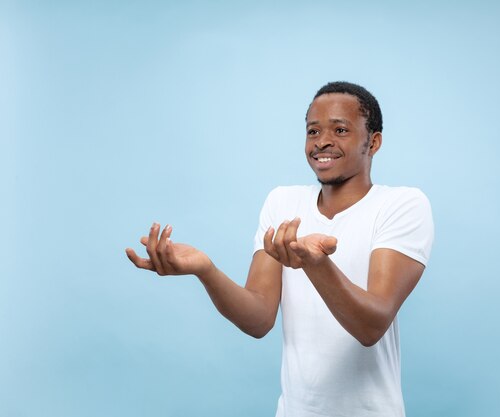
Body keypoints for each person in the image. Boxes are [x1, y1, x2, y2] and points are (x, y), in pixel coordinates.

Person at [126, 81, 434, 417]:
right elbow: (258, 318)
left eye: (340, 129)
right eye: (313, 131)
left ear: (372, 142)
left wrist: (314, 265)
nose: (323, 141)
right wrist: (206, 270)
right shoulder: (283, 202)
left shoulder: (401, 205)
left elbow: (371, 326)